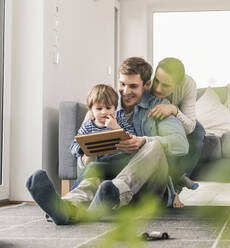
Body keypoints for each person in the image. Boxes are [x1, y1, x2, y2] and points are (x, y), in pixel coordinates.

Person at [26, 57, 188, 225]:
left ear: (146, 85)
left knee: (153, 145)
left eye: (133, 86)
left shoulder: (159, 106)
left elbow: (181, 144)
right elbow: (81, 152)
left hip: (148, 188)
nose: (125, 91)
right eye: (122, 84)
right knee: (95, 170)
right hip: (106, 183)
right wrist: (86, 156)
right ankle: (66, 207)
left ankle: (115, 192)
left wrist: (142, 140)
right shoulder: (107, 107)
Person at [149, 57, 206, 208]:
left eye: (165, 85)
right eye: (156, 81)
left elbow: (190, 126)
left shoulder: (188, 84)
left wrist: (174, 110)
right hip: (153, 119)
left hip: (176, 119)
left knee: (199, 132)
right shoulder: (146, 80)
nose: (158, 88)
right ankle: (173, 184)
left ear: (178, 84)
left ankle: (176, 189)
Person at [70, 84, 136, 165]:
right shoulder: (87, 127)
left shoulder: (120, 122)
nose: (104, 112)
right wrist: (83, 149)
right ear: (91, 109)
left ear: (115, 108)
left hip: (117, 162)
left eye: (108, 108)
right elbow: (73, 146)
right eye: (99, 109)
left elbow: (133, 139)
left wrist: (116, 128)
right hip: (96, 164)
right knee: (89, 158)